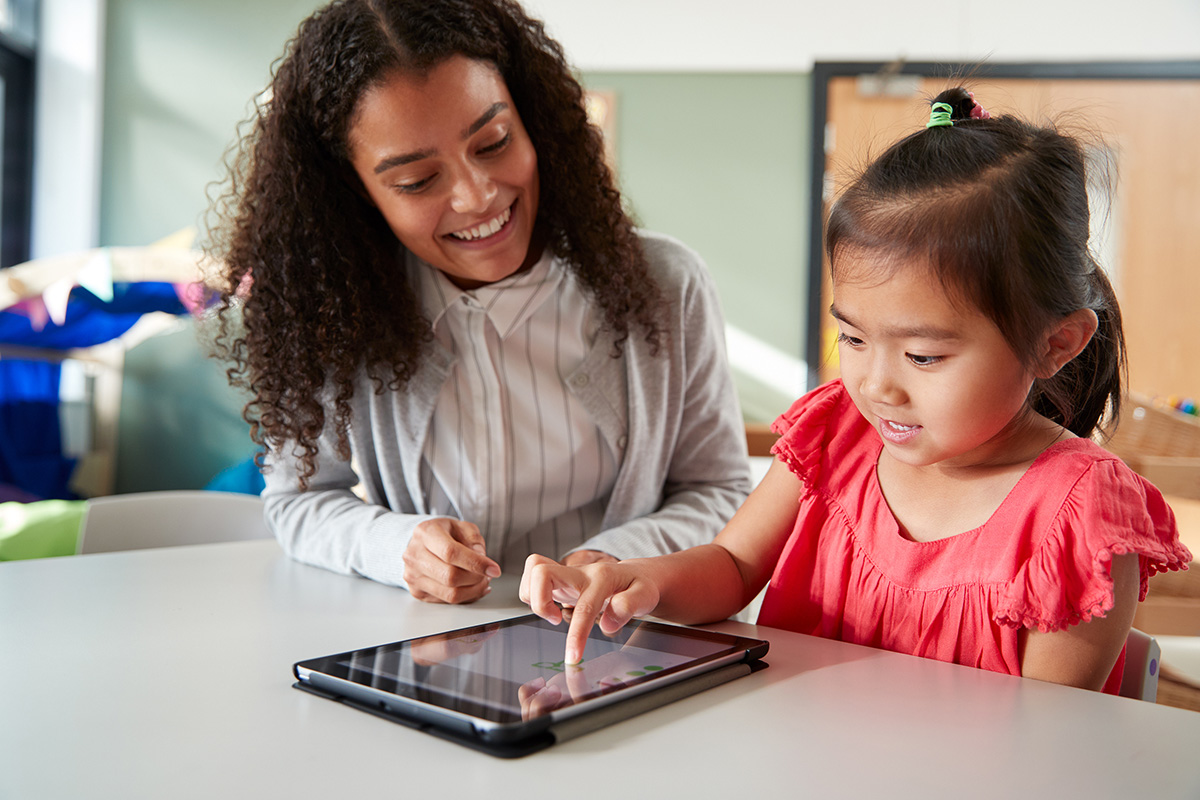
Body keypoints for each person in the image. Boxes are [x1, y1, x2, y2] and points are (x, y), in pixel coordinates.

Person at [521, 88, 1192, 693]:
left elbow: (1041, 744)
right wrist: (637, 581)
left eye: (924, 355)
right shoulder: (838, 431)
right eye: (855, 339)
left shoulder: (1079, 515)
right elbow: (730, 564)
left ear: (1056, 343)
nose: (875, 385)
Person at [204, 0, 751, 604]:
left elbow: (718, 488)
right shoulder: (331, 310)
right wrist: (399, 547)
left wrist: (620, 558)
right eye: (416, 181)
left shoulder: (666, 285)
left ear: (531, 119)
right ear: (355, 195)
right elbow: (299, 501)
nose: (477, 195)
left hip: (619, 644)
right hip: (429, 652)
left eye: (492, 142)